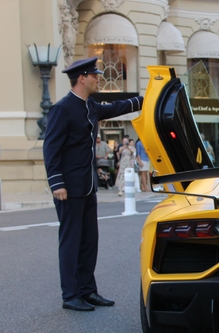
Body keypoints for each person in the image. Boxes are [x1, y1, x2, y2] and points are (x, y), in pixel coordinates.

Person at [43, 57, 143, 311]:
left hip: (87, 187)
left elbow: (118, 107)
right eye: (95, 76)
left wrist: (146, 98)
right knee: (71, 241)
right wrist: (57, 183)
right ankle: (70, 294)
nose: (98, 79)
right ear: (82, 78)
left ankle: (88, 291)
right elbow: (50, 149)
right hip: (69, 188)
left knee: (89, 241)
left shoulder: (91, 106)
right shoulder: (62, 109)